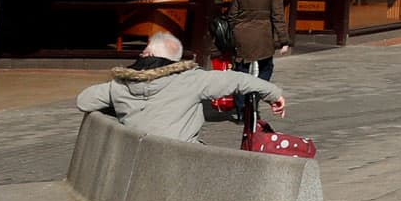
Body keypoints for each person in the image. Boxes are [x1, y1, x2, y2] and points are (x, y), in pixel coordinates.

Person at [76, 31, 283, 144]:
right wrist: (274, 95)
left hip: (134, 154)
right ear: (174, 60)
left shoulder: (119, 84)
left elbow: (84, 101)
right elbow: (238, 79)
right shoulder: (190, 79)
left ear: (145, 54)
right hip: (181, 158)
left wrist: (119, 104)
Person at [227, 0, 291, 79]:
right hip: (263, 35)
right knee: (266, 66)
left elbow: (232, 15)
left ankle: (242, 98)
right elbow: (277, 16)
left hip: (241, 33)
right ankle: (256, 94)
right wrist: (284, 40)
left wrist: (232, 33)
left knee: (240, 71)